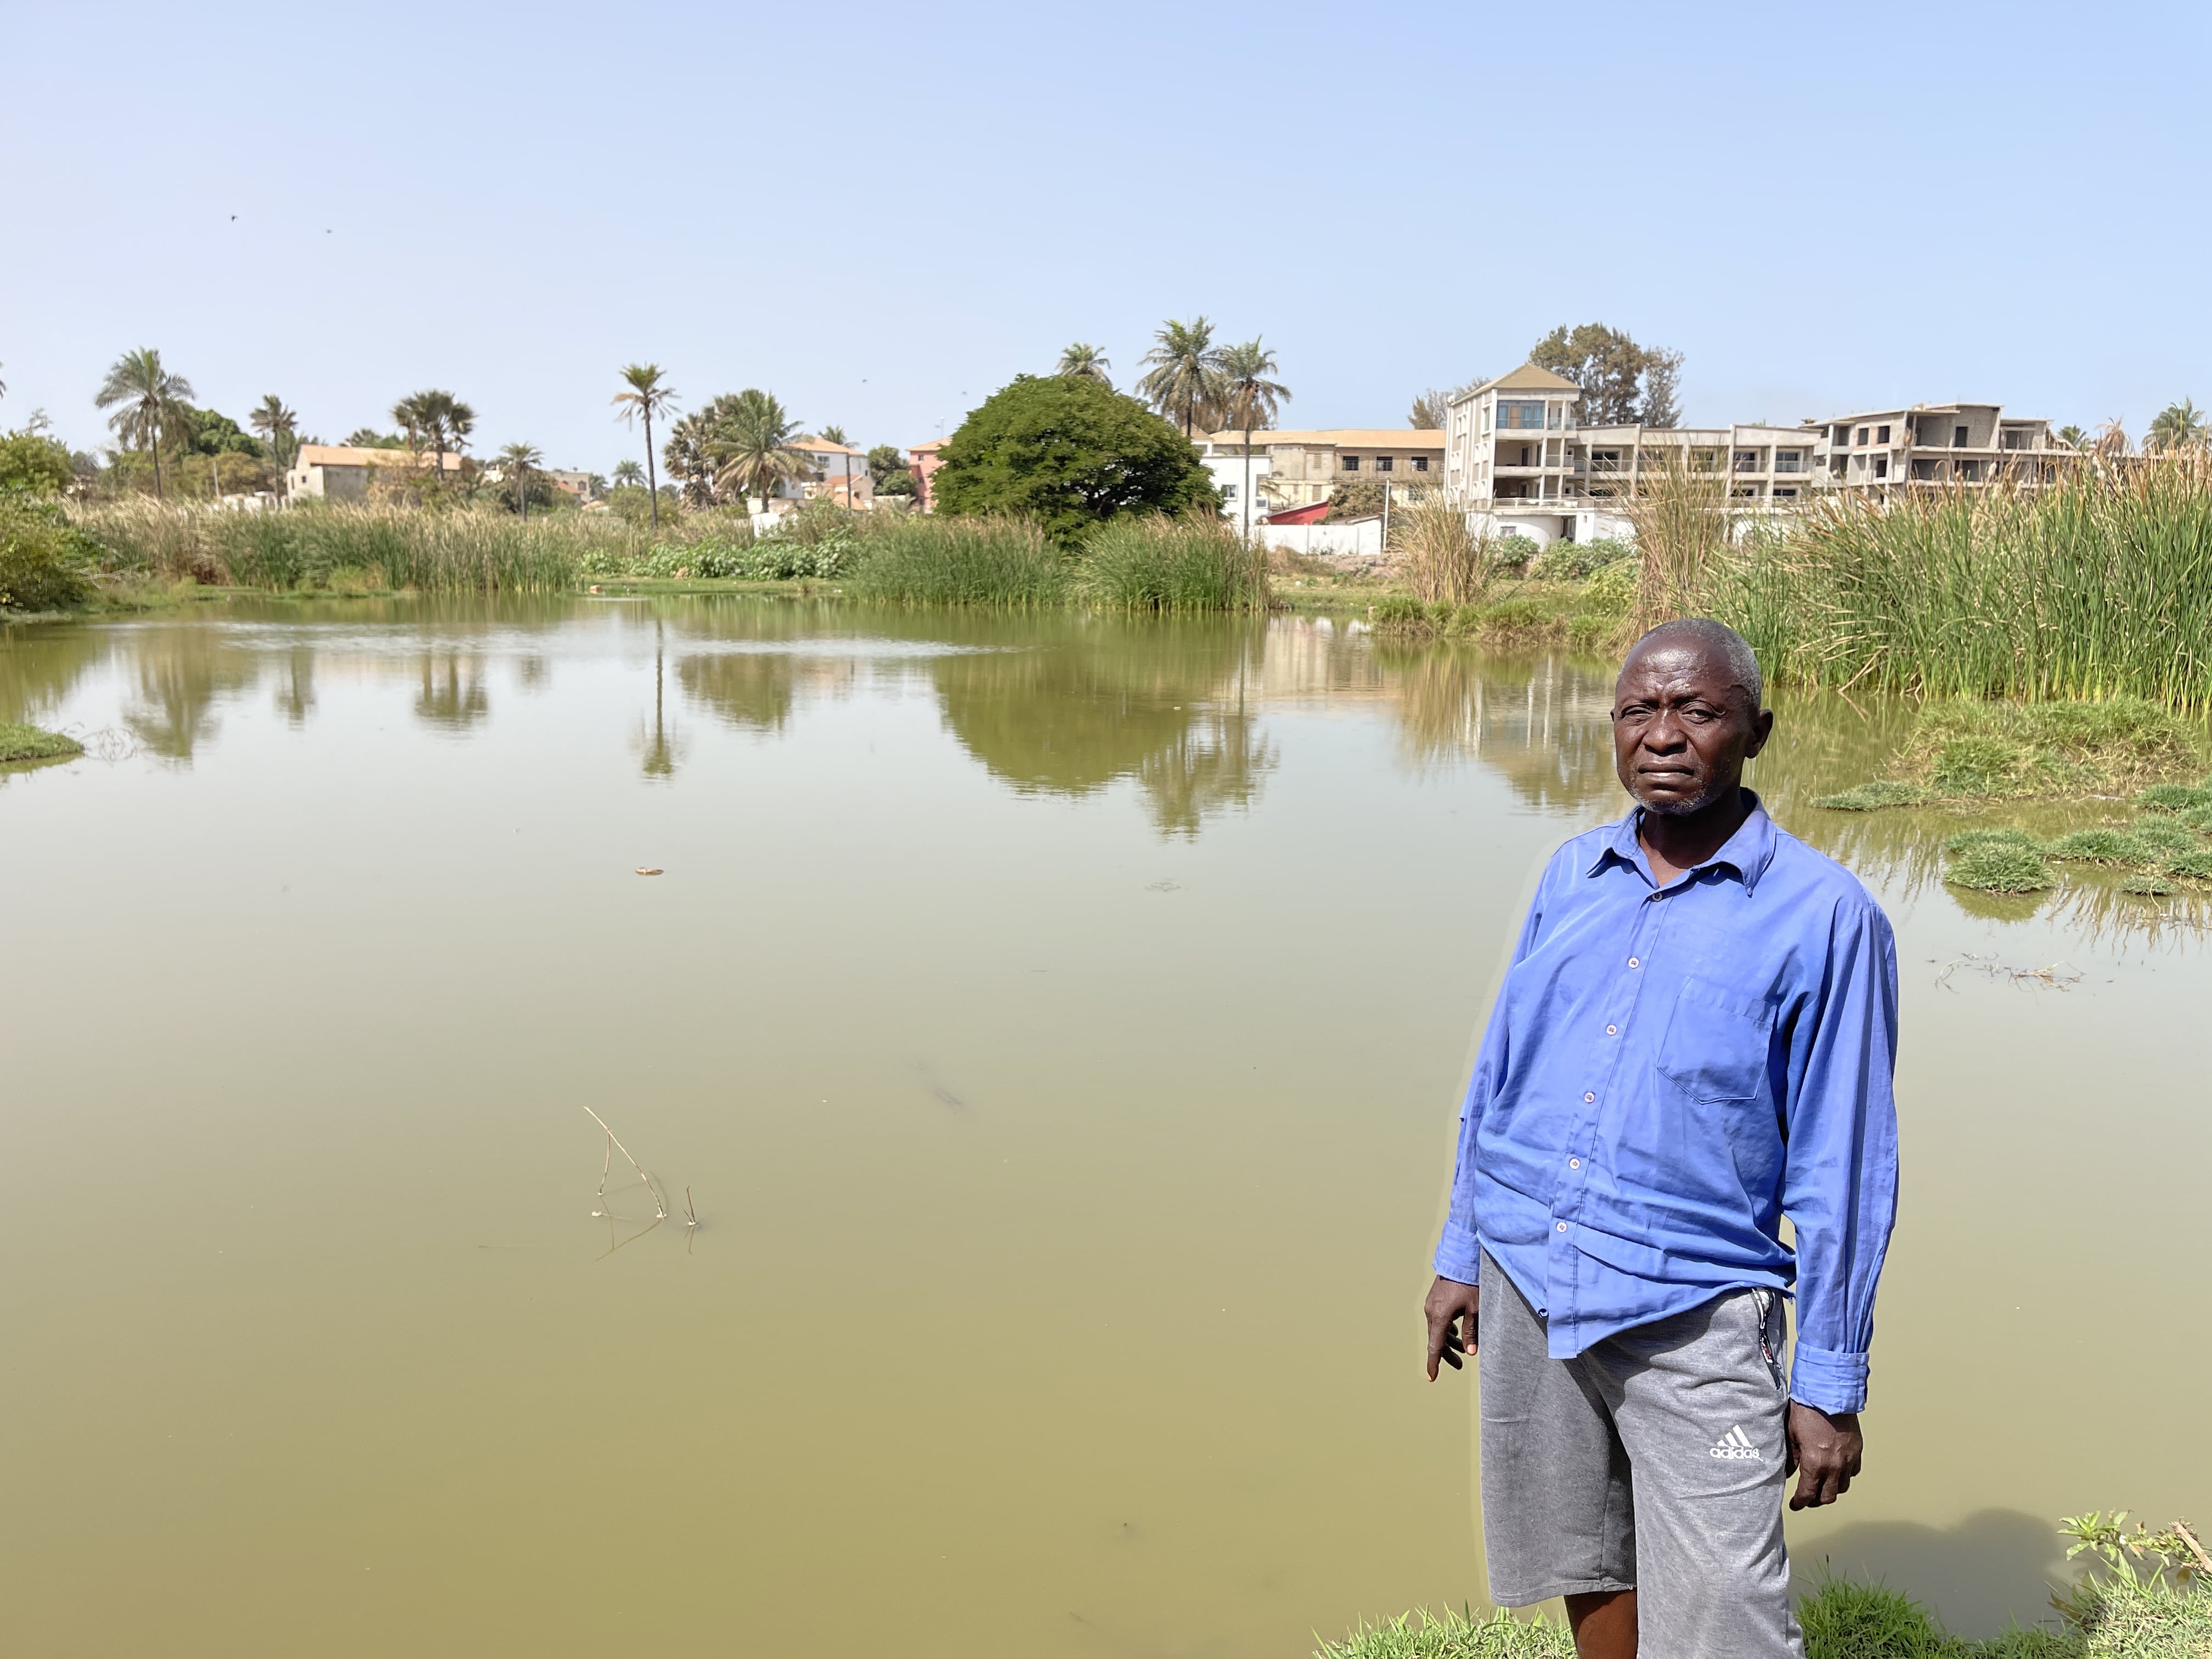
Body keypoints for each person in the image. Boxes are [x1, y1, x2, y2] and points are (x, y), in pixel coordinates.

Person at [1421, 618, 1899, 1659]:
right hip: (1526, 1269)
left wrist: (1829, 1382)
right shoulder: (1570, 873)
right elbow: (1503, 1075)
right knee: (1583, 1554)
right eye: (1641, 710)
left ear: (1757, 731)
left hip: (1695, 1306)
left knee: (1728, 1602)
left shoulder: (1826, 917)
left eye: (1700, 710)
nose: (1666, 735)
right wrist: (1460, 1252)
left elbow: (1845, 1164)